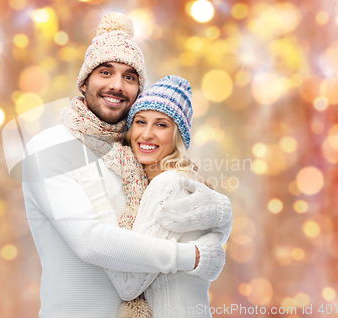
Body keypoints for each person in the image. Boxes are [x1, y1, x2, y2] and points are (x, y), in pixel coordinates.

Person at [22, 12, 225, 318]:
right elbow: (90, 241)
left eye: (129, 77)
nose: (117, 86)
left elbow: (175, 215)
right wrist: (193, 257)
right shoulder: (48, 148)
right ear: (85, 80)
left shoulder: (137, 156)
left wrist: (219, 212)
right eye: (105, 72)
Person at [74, 76, 232, 318]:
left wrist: (100, 211)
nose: (146, 134)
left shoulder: (168, 184)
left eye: (161, 125)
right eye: (140, 122)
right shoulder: (175, 183)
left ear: (177, 136)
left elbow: (128, 284)